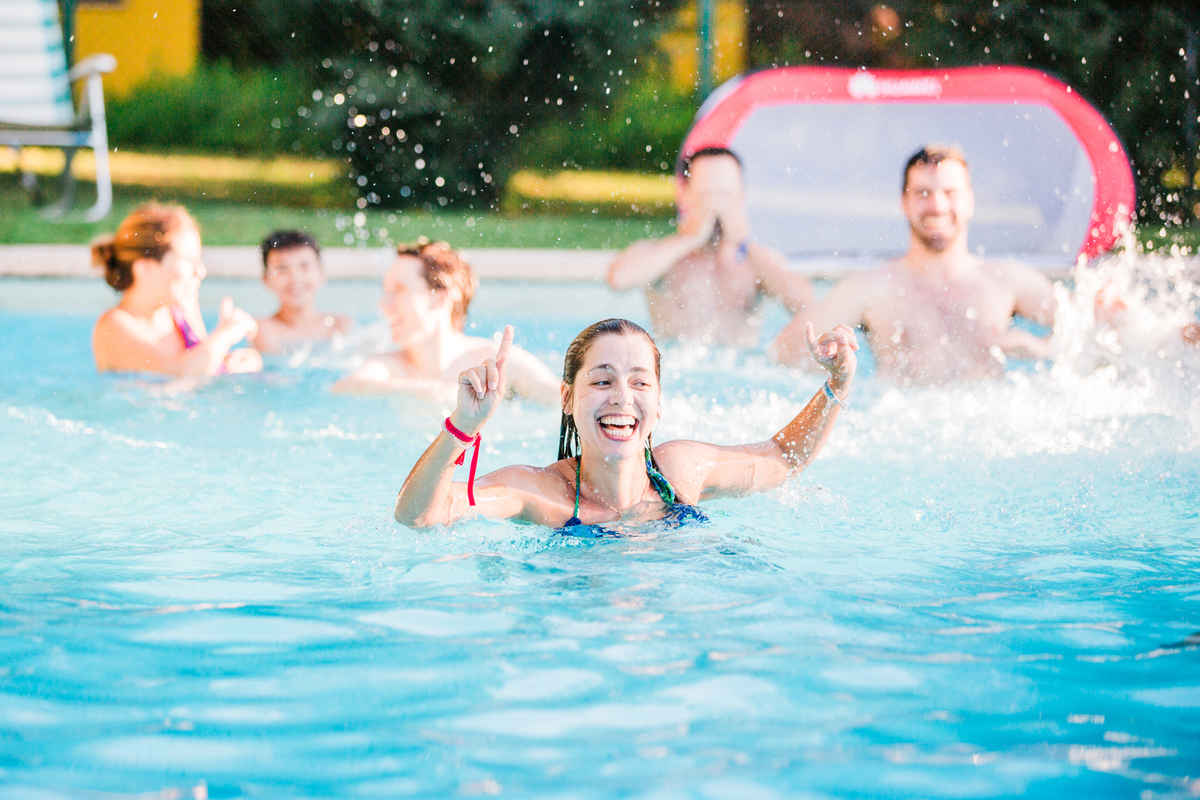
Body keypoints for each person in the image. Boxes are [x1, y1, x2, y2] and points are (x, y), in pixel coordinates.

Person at [394, 318, 857, 530]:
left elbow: (781, 458)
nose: (621, 397)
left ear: (657, 404)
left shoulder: (682, 473)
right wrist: (461, 427)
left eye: (640, 382)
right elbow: (418, 515)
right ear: (567, 397)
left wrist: (836, 385)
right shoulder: (537, 494)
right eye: (601, 381)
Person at [771, 145, 1057, 385]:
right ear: (904, 202)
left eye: (950, 193)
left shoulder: (1006, 281)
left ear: (970, 200)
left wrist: (1044, 348)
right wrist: (829, 359)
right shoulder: (871, 288)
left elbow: (1089, 331)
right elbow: (782, 353)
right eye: (923, 193)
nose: (938, 206)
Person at [606, 147, 813, 348]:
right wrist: (689, 239)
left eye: (726, 195)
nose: (716, 207)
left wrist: (743, 244)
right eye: (707, 195)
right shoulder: (661, 256)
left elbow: (806, 304)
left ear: (740, 196)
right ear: (684, 195)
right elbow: (619, 279)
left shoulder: (757, 262)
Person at [333, 240, 560, 403]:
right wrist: (434, 391)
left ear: (440, 297)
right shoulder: (389, 366)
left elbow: (565, 402)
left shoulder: (492, 363)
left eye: (400, 290)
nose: (384, 304)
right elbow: (343, 388)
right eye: (386, 291)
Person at [92, 203, 262, 376]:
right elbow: (177, 372)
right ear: (146, 269)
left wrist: (244, 361)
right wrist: (225, 333)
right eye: (188, 260)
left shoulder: (182, 309)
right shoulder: (113, 326)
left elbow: (203, 367)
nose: (201, 271)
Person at [252, 230, 353, 354]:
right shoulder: (262, 328)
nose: (295, 278)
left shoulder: (340, 325)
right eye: (282, 269)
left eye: (304, 266)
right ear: (266, 279)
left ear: (321, 274)